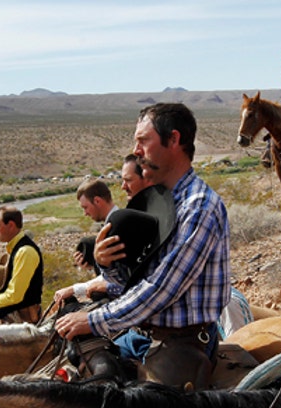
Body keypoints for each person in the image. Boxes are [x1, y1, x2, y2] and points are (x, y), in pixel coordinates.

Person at [55, 103, 231, 390]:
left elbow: (163, 287)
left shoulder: (199, 206)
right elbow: (132, 284)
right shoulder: (157, 203)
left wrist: (95, 319)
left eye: (143, 140)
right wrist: (109, 266)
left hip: (183, 341)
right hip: (144, 333)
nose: (136, 150)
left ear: (173, 140)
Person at [73, 179, 118, 273]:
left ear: (97, 201)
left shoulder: (116, 227)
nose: (85, 213)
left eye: (85, 207)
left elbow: (118, 276)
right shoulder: (112, 223)